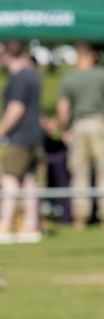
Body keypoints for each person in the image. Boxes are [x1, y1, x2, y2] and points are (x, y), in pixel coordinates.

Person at [56, 42, 104, 229]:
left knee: (79, 173)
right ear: (93, 55)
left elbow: (63, 108)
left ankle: (80, 217)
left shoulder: (69, 78)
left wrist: (65, 128)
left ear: (77, 56)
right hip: (100, 123)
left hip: (78, 125)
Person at [0, 40, 46, 244]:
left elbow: (15, 110)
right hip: (34, 137)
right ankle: (31, 226)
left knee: (9, 180)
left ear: (6, 55)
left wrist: (1, 129)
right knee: (29, 181)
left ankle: (5, 226)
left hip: (19, 138)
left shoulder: (19, 78)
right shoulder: (33, 76)